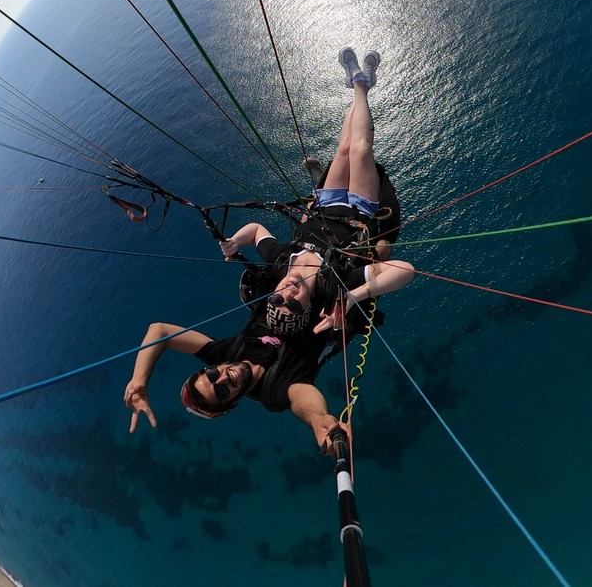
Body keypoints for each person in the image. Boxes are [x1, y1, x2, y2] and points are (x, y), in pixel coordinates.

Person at [123, 49, 415, 451]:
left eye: (213, 377)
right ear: (233, 403)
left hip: (323, 212)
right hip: (354, 226)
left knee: (346, 150)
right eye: (223, 391)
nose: (224, 378)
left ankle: (358, 86)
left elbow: (158, 332)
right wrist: (322, 424)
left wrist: (140, 382)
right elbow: (304, 403)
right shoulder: (278, 387)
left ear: (210, 369)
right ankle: (362, 85)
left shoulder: (234, 341)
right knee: (361, 153)